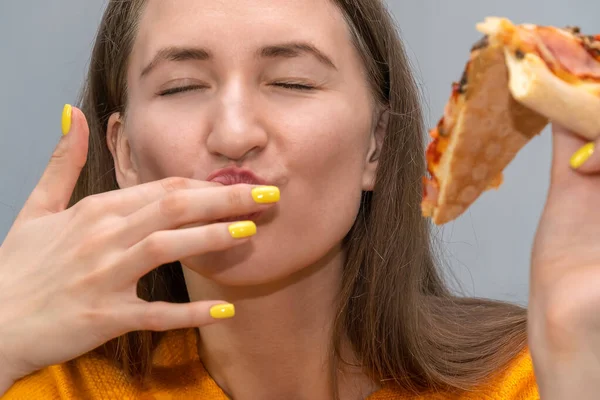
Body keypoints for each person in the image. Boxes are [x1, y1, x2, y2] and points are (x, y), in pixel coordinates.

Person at [1, 0, 599, 399]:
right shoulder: (50, 385)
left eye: (292, 82)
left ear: (376, 146)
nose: (234, 134)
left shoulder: (537, 378)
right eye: (182, 87)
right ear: (124, 154)